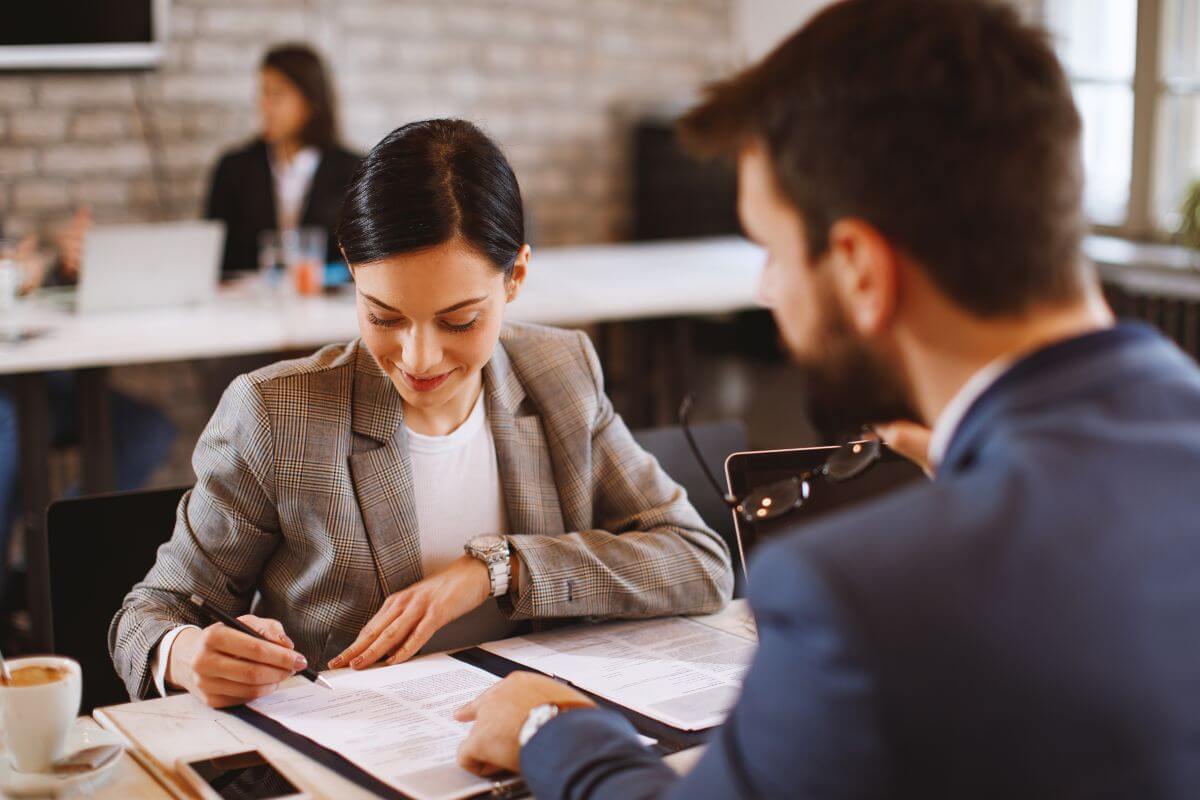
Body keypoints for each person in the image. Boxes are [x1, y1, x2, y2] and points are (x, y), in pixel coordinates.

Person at [454, 1, 1200, 797]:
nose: (769, 291)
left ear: (859, 270)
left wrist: (553, 731)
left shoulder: (862, 597)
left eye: (771, 253)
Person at [109, 119, 733, 707]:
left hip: (531, 743)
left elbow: (699, 562)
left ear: (515, 276)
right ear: (351, 271)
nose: (418, 357)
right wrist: (186, 654)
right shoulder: (277, 414)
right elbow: (150, 615)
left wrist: (501, 568)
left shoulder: (560, 372)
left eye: (459, 320)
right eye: (384, 316)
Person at [0, 210, 175, 605]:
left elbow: (18, 285)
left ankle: (50, 568)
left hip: (32, 377)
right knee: (11, 425)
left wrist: (58, 266)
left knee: (146, 430)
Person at [206, 44, 362, 276]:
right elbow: (214, 256)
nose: (264, 104)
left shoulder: (353, 170)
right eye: (263, 92)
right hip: (247, 306)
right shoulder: (234, 168)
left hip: (327, 306)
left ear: (310, 102)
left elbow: (366, 258)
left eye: (277, 94)